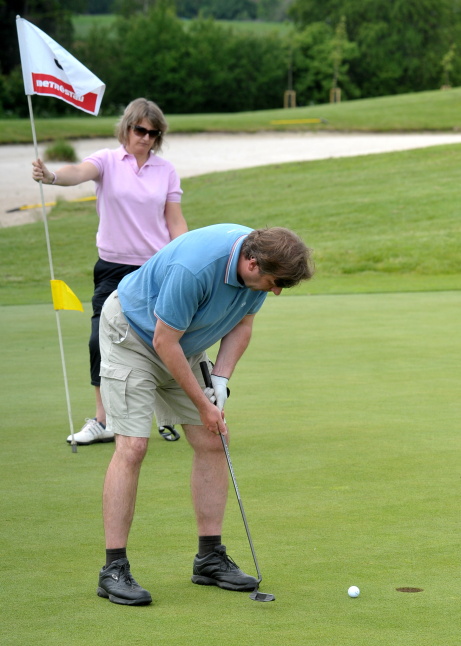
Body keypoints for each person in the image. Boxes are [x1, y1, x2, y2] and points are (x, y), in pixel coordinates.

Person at [96, 223, 314, 605]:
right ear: (251, 263)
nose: (277, 291)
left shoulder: (260, 268)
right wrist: (203, 404)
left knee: (213, 440)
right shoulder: (195, 267)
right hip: (132, 336)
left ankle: (209, 558)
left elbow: (242, 325)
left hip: (183, 343)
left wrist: (221, 381)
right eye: (276, 283)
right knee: (132, 447)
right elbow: (164, 340)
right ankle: (113, 569)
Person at [32, 98, 188, 445]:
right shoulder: (106, 160)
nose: (145, 137)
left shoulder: (165, 171)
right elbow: (78, 172)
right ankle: (103, 421)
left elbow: (175, 220)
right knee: (98, 341)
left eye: (153, 133)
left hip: (154, 269)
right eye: (140, 129)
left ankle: (167, 416)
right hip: (113, 268)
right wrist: (52, 176)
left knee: (162, 340)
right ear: (127, 127)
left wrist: (185, 256)